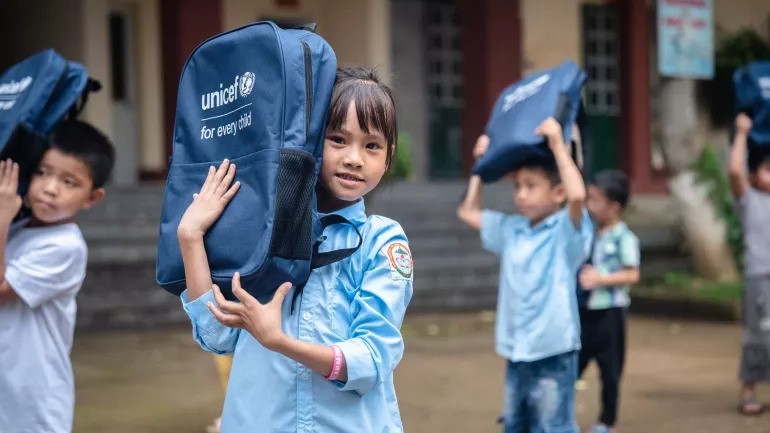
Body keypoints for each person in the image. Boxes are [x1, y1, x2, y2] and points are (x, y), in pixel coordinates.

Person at [177, 67, 413, 432]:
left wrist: (279, 341)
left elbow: (370, 360)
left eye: (371, 146)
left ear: (388, 156)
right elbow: (217, 335)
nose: (354, 158)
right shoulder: (262, 230)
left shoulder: (382, 241)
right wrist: (191, 237)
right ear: (311, 143)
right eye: (337, 139)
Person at [457, 121, 592, 433]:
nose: (520, 194)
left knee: (553, 426)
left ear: (557, 192)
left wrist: (559, 144)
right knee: (516, 426)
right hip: (517, 349)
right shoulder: (513, 229)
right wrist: (481, 166)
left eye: (531, 186)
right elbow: (468, 212)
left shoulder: (564, 232)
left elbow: (577, 197)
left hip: (553, 350)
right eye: (517, 186)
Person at [0, 120, 115, 433]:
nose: (50, 188)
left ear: (92, 197)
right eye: (42, 172)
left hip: (32, 399)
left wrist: (1, 216)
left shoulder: (65, 246)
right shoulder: (18, 230)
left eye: (69, 182)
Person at [578, 170, 640, 433]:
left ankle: (606, 422)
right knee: (572, 365)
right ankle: (557, 415)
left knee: (610, 372)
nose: (589, 206)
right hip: (585, 311)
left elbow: (632, 273)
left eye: (594, 200)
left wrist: (600, 279)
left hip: (610, 314)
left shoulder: (625, 238)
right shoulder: (589, 233)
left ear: (613, 207)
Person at [729, 113, 770, 416]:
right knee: (757, 335)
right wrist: (742, 132)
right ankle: (749, 391)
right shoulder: (750, 200)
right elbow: (733, 171)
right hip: (759, 277)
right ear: (755, 174)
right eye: (768, 170)